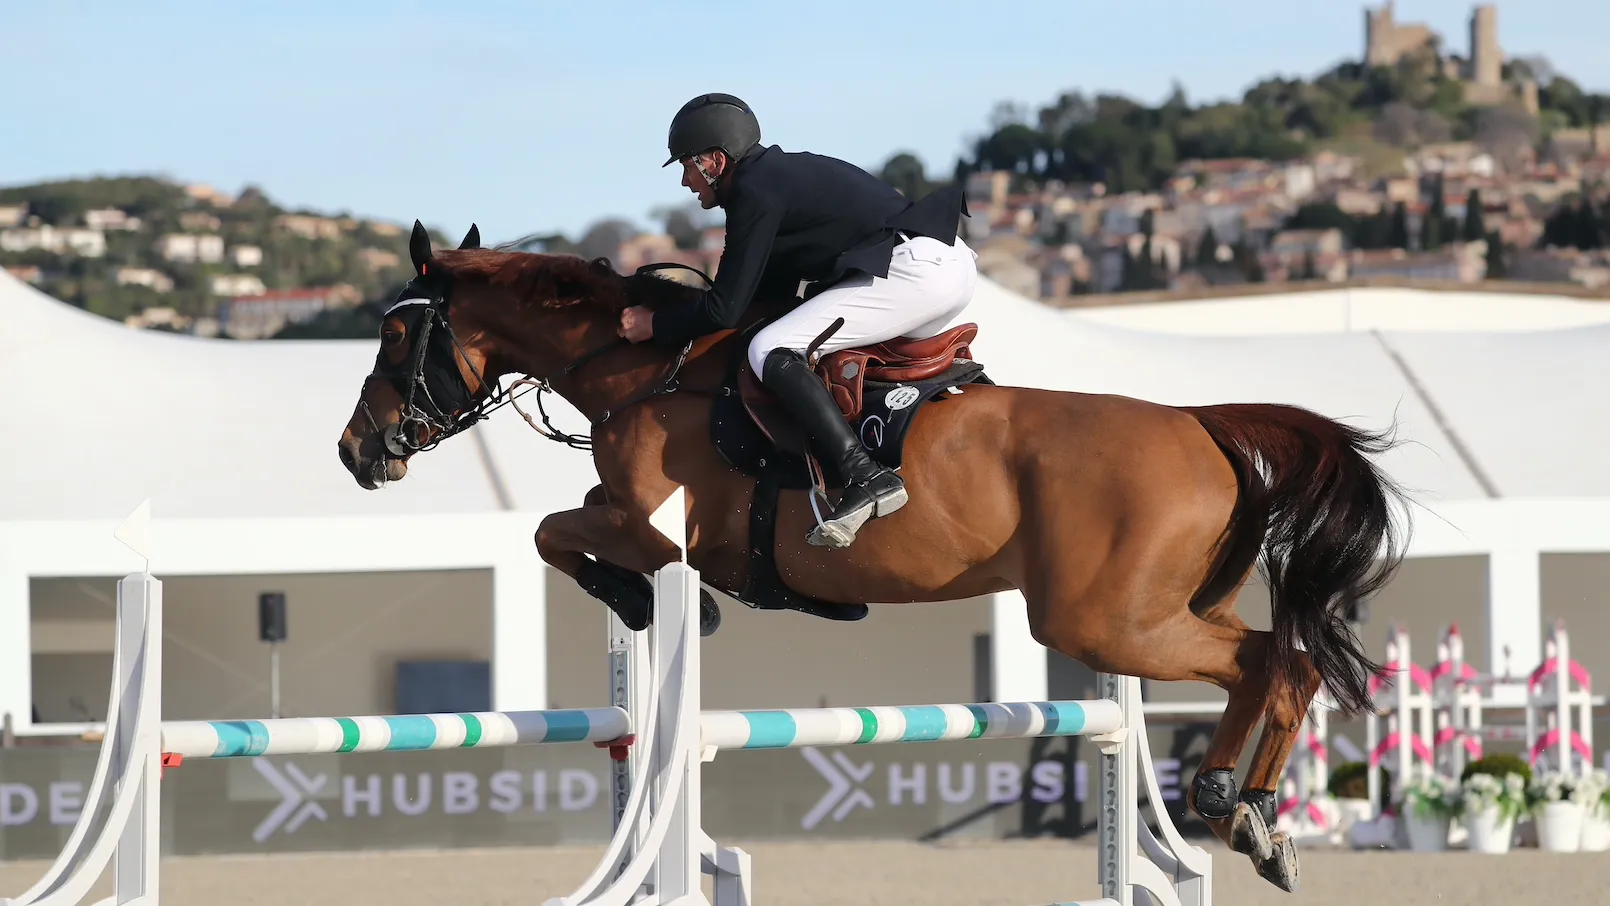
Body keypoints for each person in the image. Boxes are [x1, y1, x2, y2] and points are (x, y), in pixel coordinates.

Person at [617, 93, 977, 549]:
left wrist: (655, 325)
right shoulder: (775, 178)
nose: (687, 182)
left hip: (914, 270)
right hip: (949, 263)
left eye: (687, 166)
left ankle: (864, 475)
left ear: (715, 161)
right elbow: (769, 294)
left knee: (769, 349)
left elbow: (724, 309)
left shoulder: (756, 190)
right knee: (793, 340)